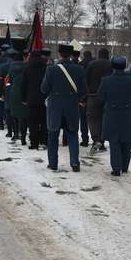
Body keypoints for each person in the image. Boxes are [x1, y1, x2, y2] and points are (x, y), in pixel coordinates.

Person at [41, 43, 87, 171]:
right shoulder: (79, 69)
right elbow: (84, 90)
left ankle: (53, 163)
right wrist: (76, 98)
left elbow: (44, 89)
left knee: (53, 135)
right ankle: (75, 163)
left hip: (55, 106)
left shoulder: (51, 69)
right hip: (72, 105)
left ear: (59, 53)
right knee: (72, 134)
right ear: (72, 54)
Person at [98, 56, 131, 176]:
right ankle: (125, 167)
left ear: (113, 66)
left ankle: (116, 168)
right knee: (126, 140)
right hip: (127, 113)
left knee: (114, 141)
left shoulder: (106, 80)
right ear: (125, 66)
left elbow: (101, 97)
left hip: (112, 113)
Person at [85, 48, 113, 154]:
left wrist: (85, 95)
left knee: (92, 119)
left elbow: (86, 80)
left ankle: (96, 139)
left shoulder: (92, 64)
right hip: (107, 97)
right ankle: (102, 141)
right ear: (107, 55)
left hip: (93, 96)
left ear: (99, 55)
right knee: (104, 118)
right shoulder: (111, 65)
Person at [21, 50, 48, 149]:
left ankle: (34, 142)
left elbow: (23, 84)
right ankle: (44, 140)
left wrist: (23, 98)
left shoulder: (27, 68)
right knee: (44, 121)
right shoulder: (46, 67)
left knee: (33, 122)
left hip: (31, 98)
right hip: (44, 98)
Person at [7, 51, 29, 145]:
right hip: (24, 93)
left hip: (13, 92)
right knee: (23, 117)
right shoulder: (26, 66)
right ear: (23, 58)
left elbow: (9, 80)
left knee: (14, 114)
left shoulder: (11, 67)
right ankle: (23, 138)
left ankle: (15, 133)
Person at [78, 50, 93, 147]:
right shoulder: (95, 64)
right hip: (93, 94)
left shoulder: (80, 65)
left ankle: (85, 139)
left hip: (83, 94)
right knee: (94, 119)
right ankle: (97, 139)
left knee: (83, 119)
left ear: (83, 56)